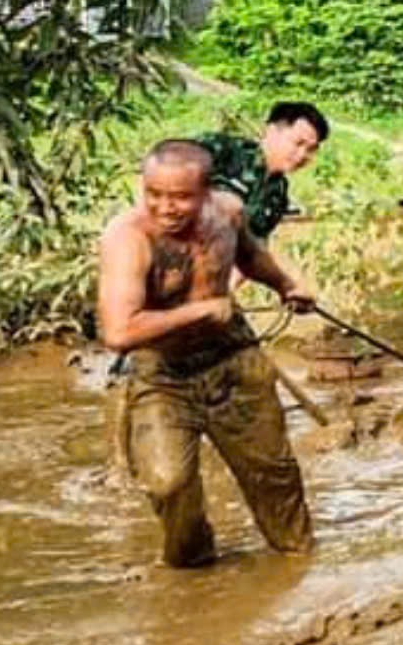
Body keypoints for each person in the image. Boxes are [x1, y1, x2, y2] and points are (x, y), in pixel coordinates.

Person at [96, 139, 318, 568]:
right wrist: (201, 310)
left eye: (180, 197)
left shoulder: (228, 212)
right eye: (154, 194)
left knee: (274, 474)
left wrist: (287, 286)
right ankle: (192, 564)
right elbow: (119, 332)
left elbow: (251, 256)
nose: (166, 208)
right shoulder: (127, 237)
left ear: (206, 192)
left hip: (233, 360)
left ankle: (298, 560)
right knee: (166, 482)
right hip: (163, 373)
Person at [195, 101, 330, 241]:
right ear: (272, 131)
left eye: (311, 150)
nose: (302, 155)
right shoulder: (222, 150)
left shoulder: (278, 193)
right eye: (298, 143)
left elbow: (255, 244)